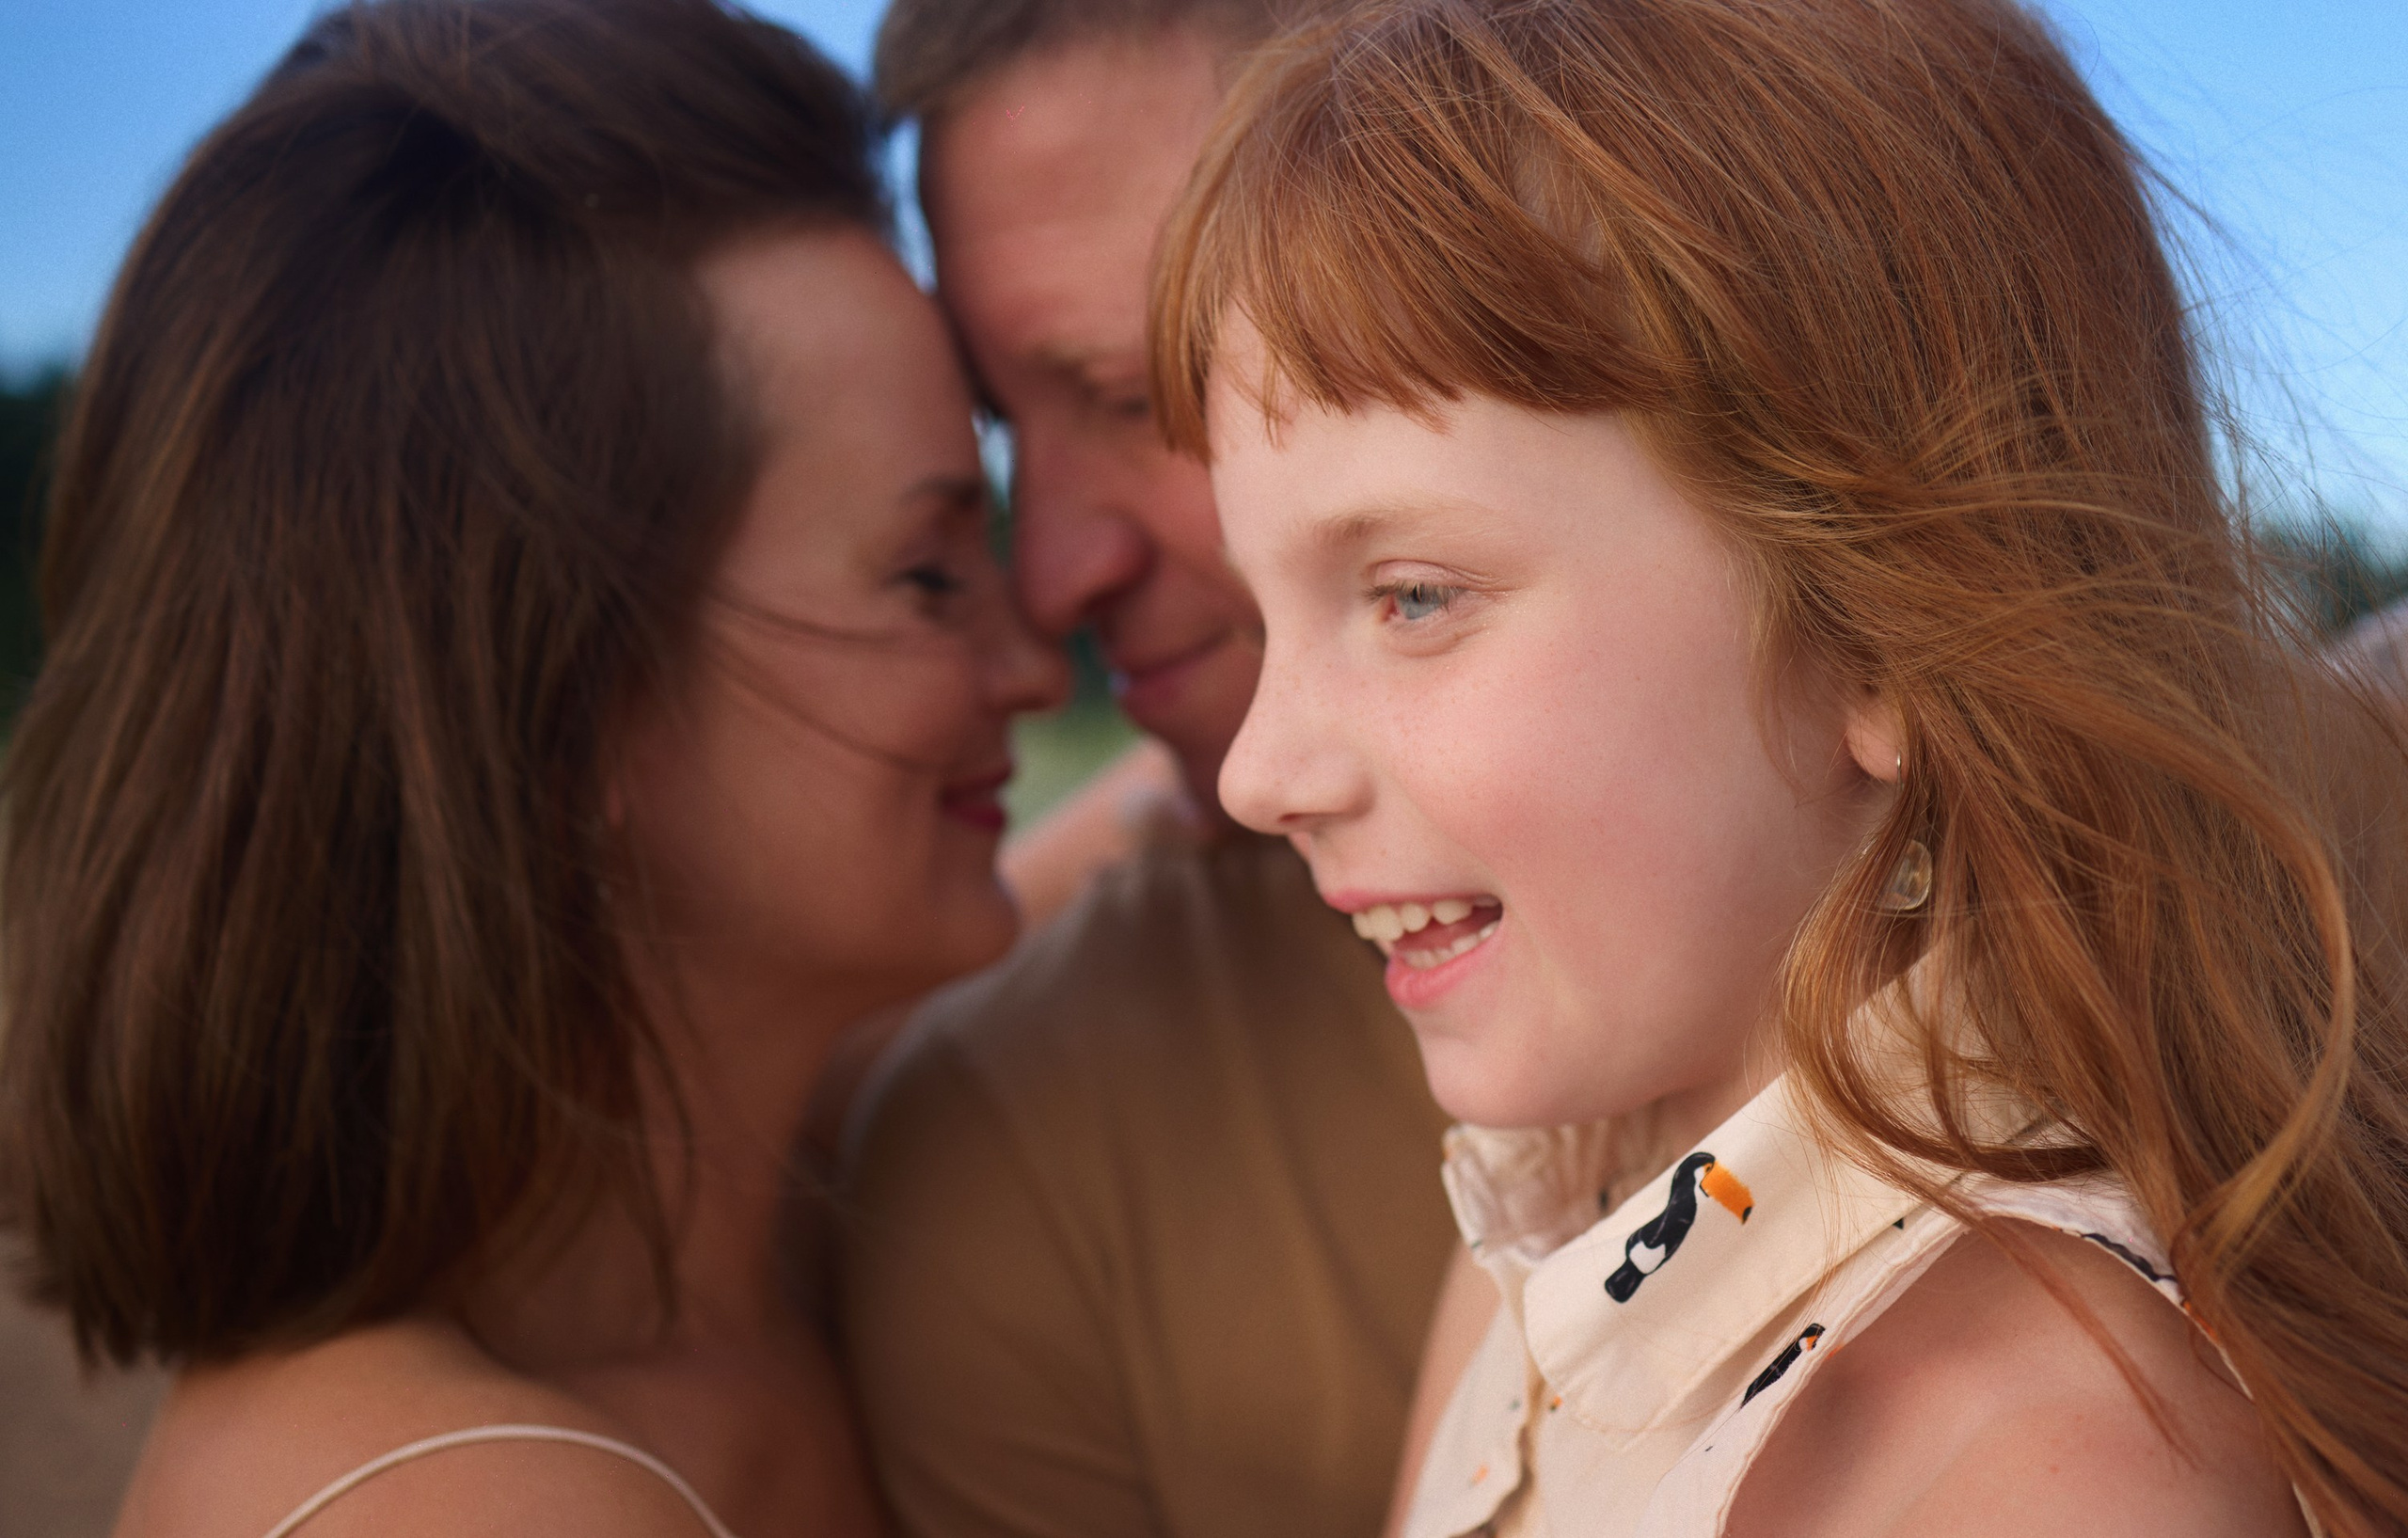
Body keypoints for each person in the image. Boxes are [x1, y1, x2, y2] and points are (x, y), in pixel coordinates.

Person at [1152, 0, 2408, 1534]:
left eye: (1413, 595)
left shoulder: (2058, 1473)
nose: (1259, 772)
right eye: (1259, 610)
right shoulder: (1550, 1236)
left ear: (1882, 633)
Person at [0, 1, 1069, 1533]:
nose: (1033, 659)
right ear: (567, 701)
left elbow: (1131, 852)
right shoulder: (465, 1506)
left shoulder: (755, 1223)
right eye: (926, 573)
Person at [835, 4, 1460, 1538]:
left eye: (1127, 396)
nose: (1045, 576)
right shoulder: (1019, 1161)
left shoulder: (2111, 885)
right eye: (1004, 426)